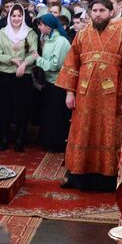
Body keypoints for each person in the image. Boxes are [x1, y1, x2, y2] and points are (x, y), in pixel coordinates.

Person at [55, 0, 122, 191]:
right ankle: (78, 176)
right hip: (84, 94)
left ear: (111, 12)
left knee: (109, 134)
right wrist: (70, 92)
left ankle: (107, 179)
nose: (98, 14)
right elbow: (71, 64)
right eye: (94, 11)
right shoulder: (83, 34)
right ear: (90, 13)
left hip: (112, 96)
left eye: (102, 10)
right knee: (82, 133)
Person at [0, 2, 38, 150]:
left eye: (19, 16)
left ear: (23, 17)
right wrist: (11, 59)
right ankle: (5, 138)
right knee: (4, 108)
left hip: (24, 75)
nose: (16, 18)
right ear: (9, 16)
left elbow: (34, 53)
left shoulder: (30, 33)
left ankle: (20, 139)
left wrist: (24, 64)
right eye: (13, 15)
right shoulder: (1, 33)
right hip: (6, 75)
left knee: (22, 108)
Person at [33, 13, 71, 151]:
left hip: (58, 84)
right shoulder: (47, 39)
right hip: (50, 83)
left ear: (48, 26)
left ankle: (56, 143)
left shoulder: (60, 41)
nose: (39, 27)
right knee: (49, 114)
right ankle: (48, 141)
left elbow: (54, 65)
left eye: (40, 25)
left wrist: (38, 59)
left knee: (56, 115)